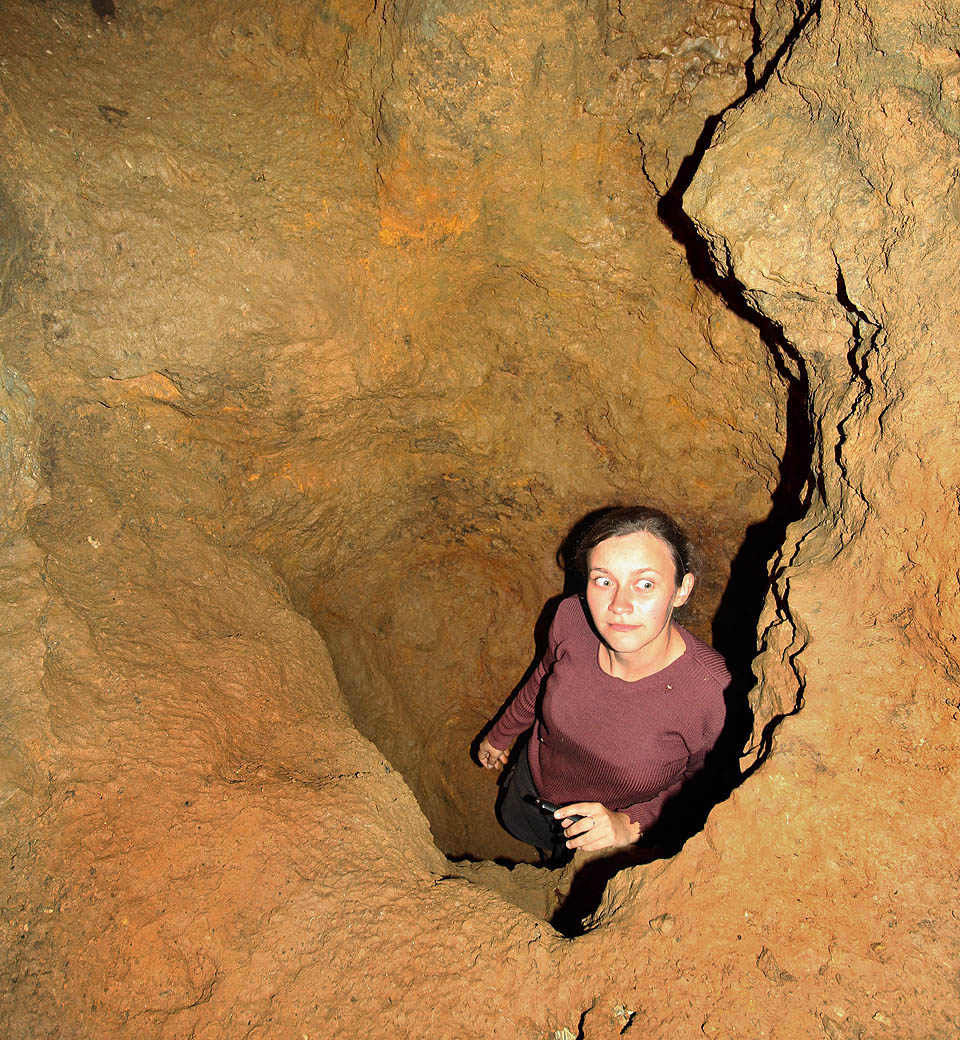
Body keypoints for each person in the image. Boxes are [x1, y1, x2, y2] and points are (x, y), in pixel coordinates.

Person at [476, 506, 729, 862]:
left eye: (645, 584)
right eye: (604, 580)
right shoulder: (570, 619)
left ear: (682, 589)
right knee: (537, 849)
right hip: (533, 788)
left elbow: (705, 787)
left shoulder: (713, 694)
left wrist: (630, 825)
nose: (619, 605)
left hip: (606, 838)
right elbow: (541, 681)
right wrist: (501, 734)